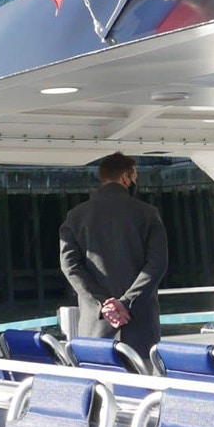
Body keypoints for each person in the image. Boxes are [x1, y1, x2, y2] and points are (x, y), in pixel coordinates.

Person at [59, 152, 169, 359]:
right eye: (134, 177)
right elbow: (157, 263)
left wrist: (102, 305)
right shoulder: (147, 213)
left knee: (99, 387)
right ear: (126, 178)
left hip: (96, 326)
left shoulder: (75, 216)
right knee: (141, 387)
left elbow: (70, 266)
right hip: (139, 326)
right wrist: (126, 302)